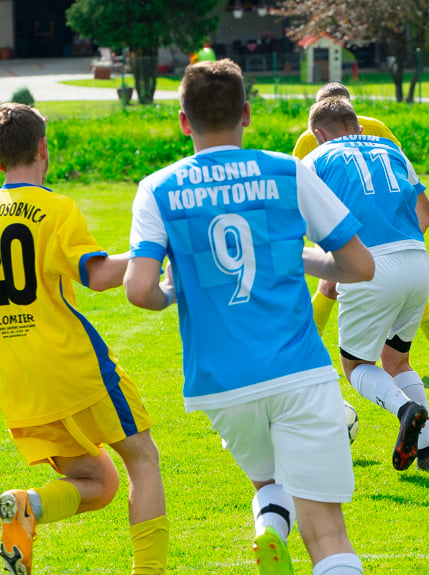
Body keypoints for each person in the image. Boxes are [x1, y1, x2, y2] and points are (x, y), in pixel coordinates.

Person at [124, 60, 373, 575]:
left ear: (183, 121)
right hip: (298, 367)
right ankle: (283, 535)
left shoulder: (157, 187)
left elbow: (140, 290)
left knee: (268, 481)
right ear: (246, 113)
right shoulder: (287, 168)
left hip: (220, 382)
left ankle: (267, 529)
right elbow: (358, 266)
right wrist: (297, 255)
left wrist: (175, 294)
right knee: (327, 531)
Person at [0, 103, 169, 575]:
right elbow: (96, 276)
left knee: (98, 480)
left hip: (16, 381)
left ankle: (25, 507)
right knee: (143, 459)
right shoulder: (54, 208)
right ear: (42, 148)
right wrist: (150, 252)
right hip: (71, 366)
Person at [303, 96, 429, 472]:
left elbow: (295, 222)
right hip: (417, 260)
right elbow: (425, 213)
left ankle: (404, 409)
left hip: (368, 267)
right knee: (397, 360)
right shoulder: (391, 149)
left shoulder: (315, 160)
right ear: (358, 125)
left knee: (355, 366)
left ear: (317, 134)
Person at [293, 82, 429, 375]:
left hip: (381, 228)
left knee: (360, 358)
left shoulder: (374, 129)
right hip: (344, 228)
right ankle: (305, 356)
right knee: (330, 286)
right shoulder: (309, 141)